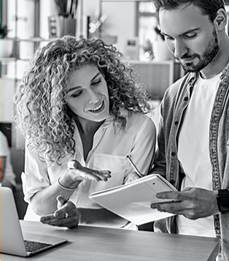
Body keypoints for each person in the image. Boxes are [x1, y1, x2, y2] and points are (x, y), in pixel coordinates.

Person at [14, 36, 156, 229]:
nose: (95, 98)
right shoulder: (42, 130)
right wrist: (69, 179)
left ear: (107, 76)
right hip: (44, 238)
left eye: (96, 82)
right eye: (76, 93)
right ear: (59, 101)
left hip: (105, 245)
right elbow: (38, 205)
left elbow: (132, 208)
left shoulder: (139, 129)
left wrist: (79, 216)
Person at [150, 0, 229, 261]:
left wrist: (218, 201)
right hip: (179, 250)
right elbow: (165, 170)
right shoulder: (174, 96)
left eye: (190, 35)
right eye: (168, 38)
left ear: (220, 20)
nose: (178, 52)